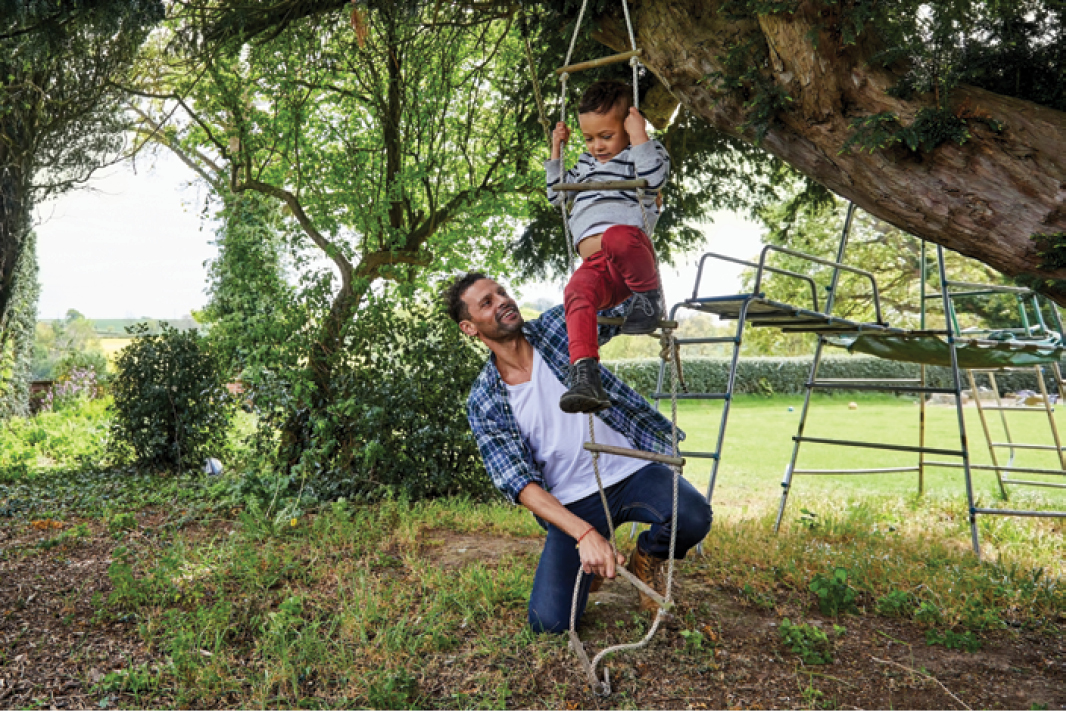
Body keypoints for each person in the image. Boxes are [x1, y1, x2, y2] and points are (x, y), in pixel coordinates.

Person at [443, 272, 711, 634]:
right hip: (573, 503)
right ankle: (590, 569)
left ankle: (647, 556)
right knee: (548, 623)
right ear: (469, 327)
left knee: (693, 515)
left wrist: (624, 255)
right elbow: (518, 484)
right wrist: (585, 534)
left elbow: (632, 301)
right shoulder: (484, 400)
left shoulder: (558, 326)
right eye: (486, 303)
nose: (502, 301)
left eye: (501, 292)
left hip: (632, 471)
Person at [547, 79, 670, 414]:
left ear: (627, 127)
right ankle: (586, 377)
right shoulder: (585, 166)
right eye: (589, 138)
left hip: (629, 257)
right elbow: (557, 196)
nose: (597, 146)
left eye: (606, 135)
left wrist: (640, 135)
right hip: (597, 268)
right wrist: (557, 150)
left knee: (617, 236)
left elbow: (655, 179)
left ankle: (649, 298)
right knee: (576, 290)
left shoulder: (641, 153)